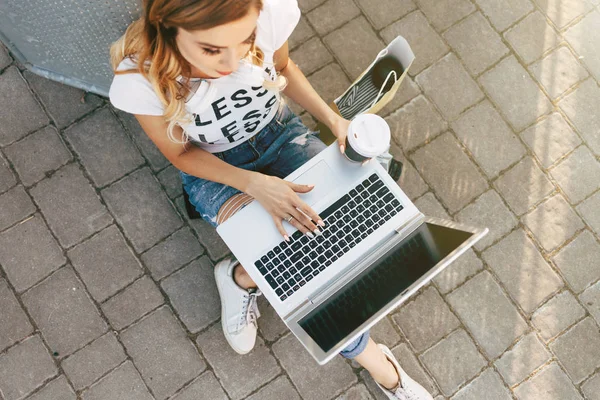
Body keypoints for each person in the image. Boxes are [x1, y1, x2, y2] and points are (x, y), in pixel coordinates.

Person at [109, 0, 432, 398]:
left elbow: (284, 69)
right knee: (304, 272)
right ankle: (386, 373)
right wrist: (255, 185)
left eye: (244, 40)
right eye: (211, 50)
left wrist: (335, 121)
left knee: (330, 248)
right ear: (168, 29)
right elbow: (181, 155)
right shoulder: (139, 77)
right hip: (216, 168)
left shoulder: (272, 12)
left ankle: (242, 277)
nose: (231, 62)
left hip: (281, 135)